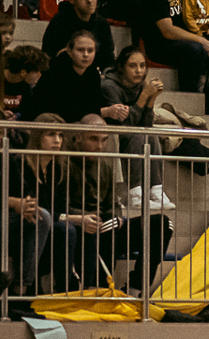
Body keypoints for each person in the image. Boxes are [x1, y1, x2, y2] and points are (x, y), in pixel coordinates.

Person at [56, 115, 173, 291]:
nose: (99, 146)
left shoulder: (105, 166)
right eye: (93, 139)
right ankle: (99, 287)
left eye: (104, 140)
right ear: (78, 137)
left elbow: (113, 204)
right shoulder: (63, 164)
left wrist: (116, 217)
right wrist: (90, 217)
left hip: (105, 226)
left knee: (163, 224)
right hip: (80, 228)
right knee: (108, 222)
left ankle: (136, 289)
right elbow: (60, 206)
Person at [101, 46, 174, 209]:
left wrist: (151, 99)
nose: (139, 71)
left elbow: (146, 124)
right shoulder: (109, 86)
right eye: (132, 66)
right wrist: (144, 96)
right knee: (137, 135)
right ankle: (135, 194)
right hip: (112, 134)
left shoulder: (141, 86)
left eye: (142, 66)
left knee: (150, 134)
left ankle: (156, 189)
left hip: (131, 133)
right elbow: (126, 123)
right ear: (121, 67)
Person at [5, 113, 60, 294]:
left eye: (60, 135)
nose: (57, 140)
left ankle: (22, 290)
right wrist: (14, 202)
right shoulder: (19, 161)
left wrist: (27, 206)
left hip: (13, 220)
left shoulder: (58, 168)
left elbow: (54, 204)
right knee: (47, 219)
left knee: (43, 217)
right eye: (51, 134)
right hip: (6, 218)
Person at [23, 31, 116, 122]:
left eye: (90, 51)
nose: (86, 55)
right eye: (80, 50)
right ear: (70, 51)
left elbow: (93, 105)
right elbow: (60, 109)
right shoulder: (54, 71)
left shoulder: (93, 74)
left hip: (78, 123)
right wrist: (102, 112)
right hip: (49, 122)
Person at [42, 0, 116, 67]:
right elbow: (47, 57)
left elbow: (108, 59)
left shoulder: (102, 24)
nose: (89, 0)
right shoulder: (59, 22)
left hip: (93, 74)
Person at [2, 43, 48, 121]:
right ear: (23, 73)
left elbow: (28, 114)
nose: (39, 75)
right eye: (37, 71)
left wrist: (16, 117)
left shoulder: (26, 87)